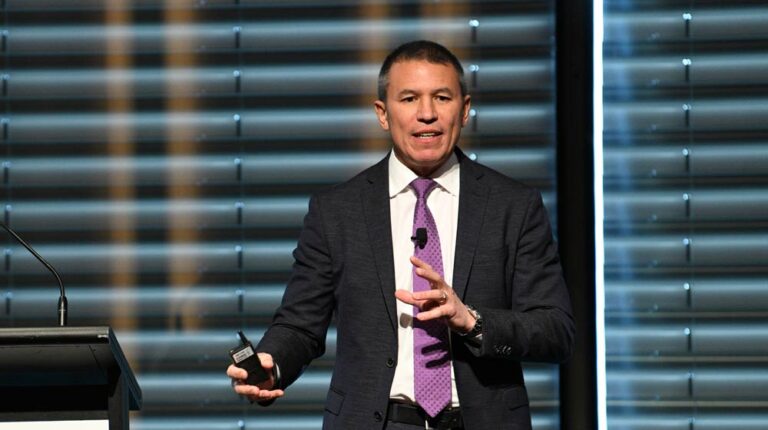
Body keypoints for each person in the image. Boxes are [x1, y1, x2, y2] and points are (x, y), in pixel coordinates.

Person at [227, 40, 574, 430]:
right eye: (409, 99)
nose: (426, 114)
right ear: (383, 113)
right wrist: (272, 364)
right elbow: (300, 324)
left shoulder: (514, 205)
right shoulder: (336, 211)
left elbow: (555, 330)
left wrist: (471, 321)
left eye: (442, 97)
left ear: (464, 110)